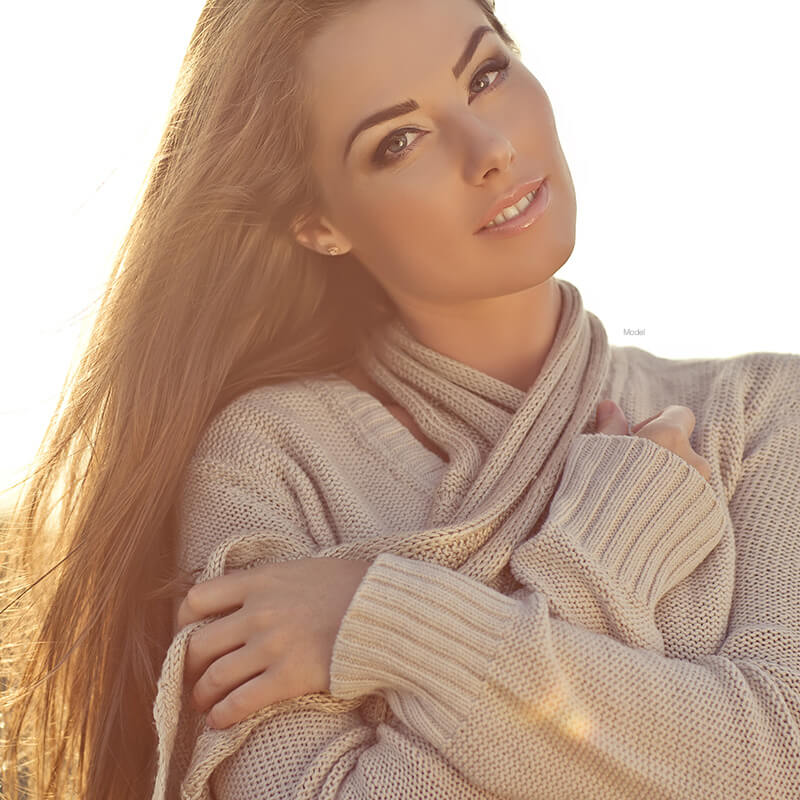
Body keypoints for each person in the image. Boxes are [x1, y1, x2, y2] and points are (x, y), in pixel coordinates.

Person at [1, 0, 798, 798]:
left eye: (487, 74)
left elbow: (780, 757)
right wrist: (604, 553)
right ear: (317, 222)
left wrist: (377, 618)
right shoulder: (271, 461)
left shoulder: (761, 412)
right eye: (399, 140)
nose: (490, 149)